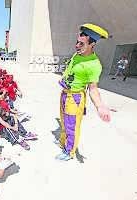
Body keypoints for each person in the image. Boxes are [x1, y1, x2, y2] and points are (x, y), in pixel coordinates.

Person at [56, 23, 111, 161]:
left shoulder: (94, 64)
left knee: (71, 126)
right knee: (63, 122)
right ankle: (63, 143)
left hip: (75, 98)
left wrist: (100, 106)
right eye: (77, 42)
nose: (77, 46)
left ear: (92, 44)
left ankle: (70, 152)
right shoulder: (77, 54)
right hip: (64, 93)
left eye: (82, 44)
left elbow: (93, 89)